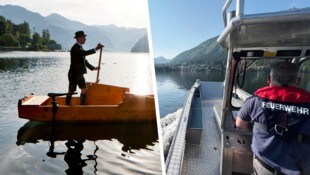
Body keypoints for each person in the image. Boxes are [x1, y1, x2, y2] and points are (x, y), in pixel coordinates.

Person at [235, 62, 310, 175]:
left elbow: (240, 124)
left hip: (265, 168)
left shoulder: (255, 101)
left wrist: (254, 128)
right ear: (298, 81)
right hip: (301, 170)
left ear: (268, 79)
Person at [66, 31, 104, 105]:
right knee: (71, 91)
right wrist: (96, 48)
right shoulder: (75, 48)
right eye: (84, 37)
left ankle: (81, 107)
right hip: (74, 74)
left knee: (83, 90)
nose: (85, 39)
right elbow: (84, 53)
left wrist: (93, 68)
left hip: (79, 74)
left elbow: (84, 61)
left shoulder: (80, 47)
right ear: (79, 38)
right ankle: (66, 107)